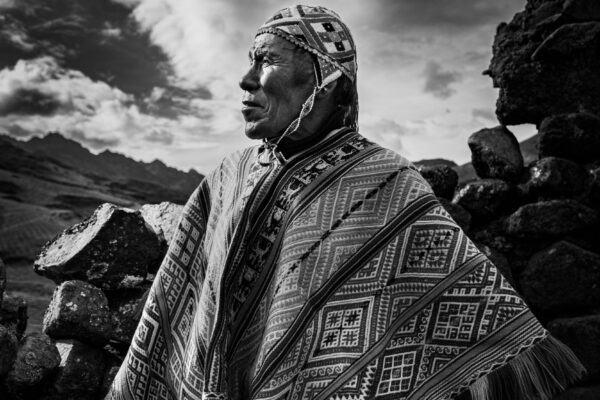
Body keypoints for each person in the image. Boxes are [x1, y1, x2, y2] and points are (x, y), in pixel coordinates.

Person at [107, 5, 585, 400]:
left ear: (327, 79)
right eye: (249, 60)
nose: (245, 79)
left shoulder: (385, 180)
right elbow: (178, 304)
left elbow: (464, 299)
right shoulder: (226, 178)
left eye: (266, 61)